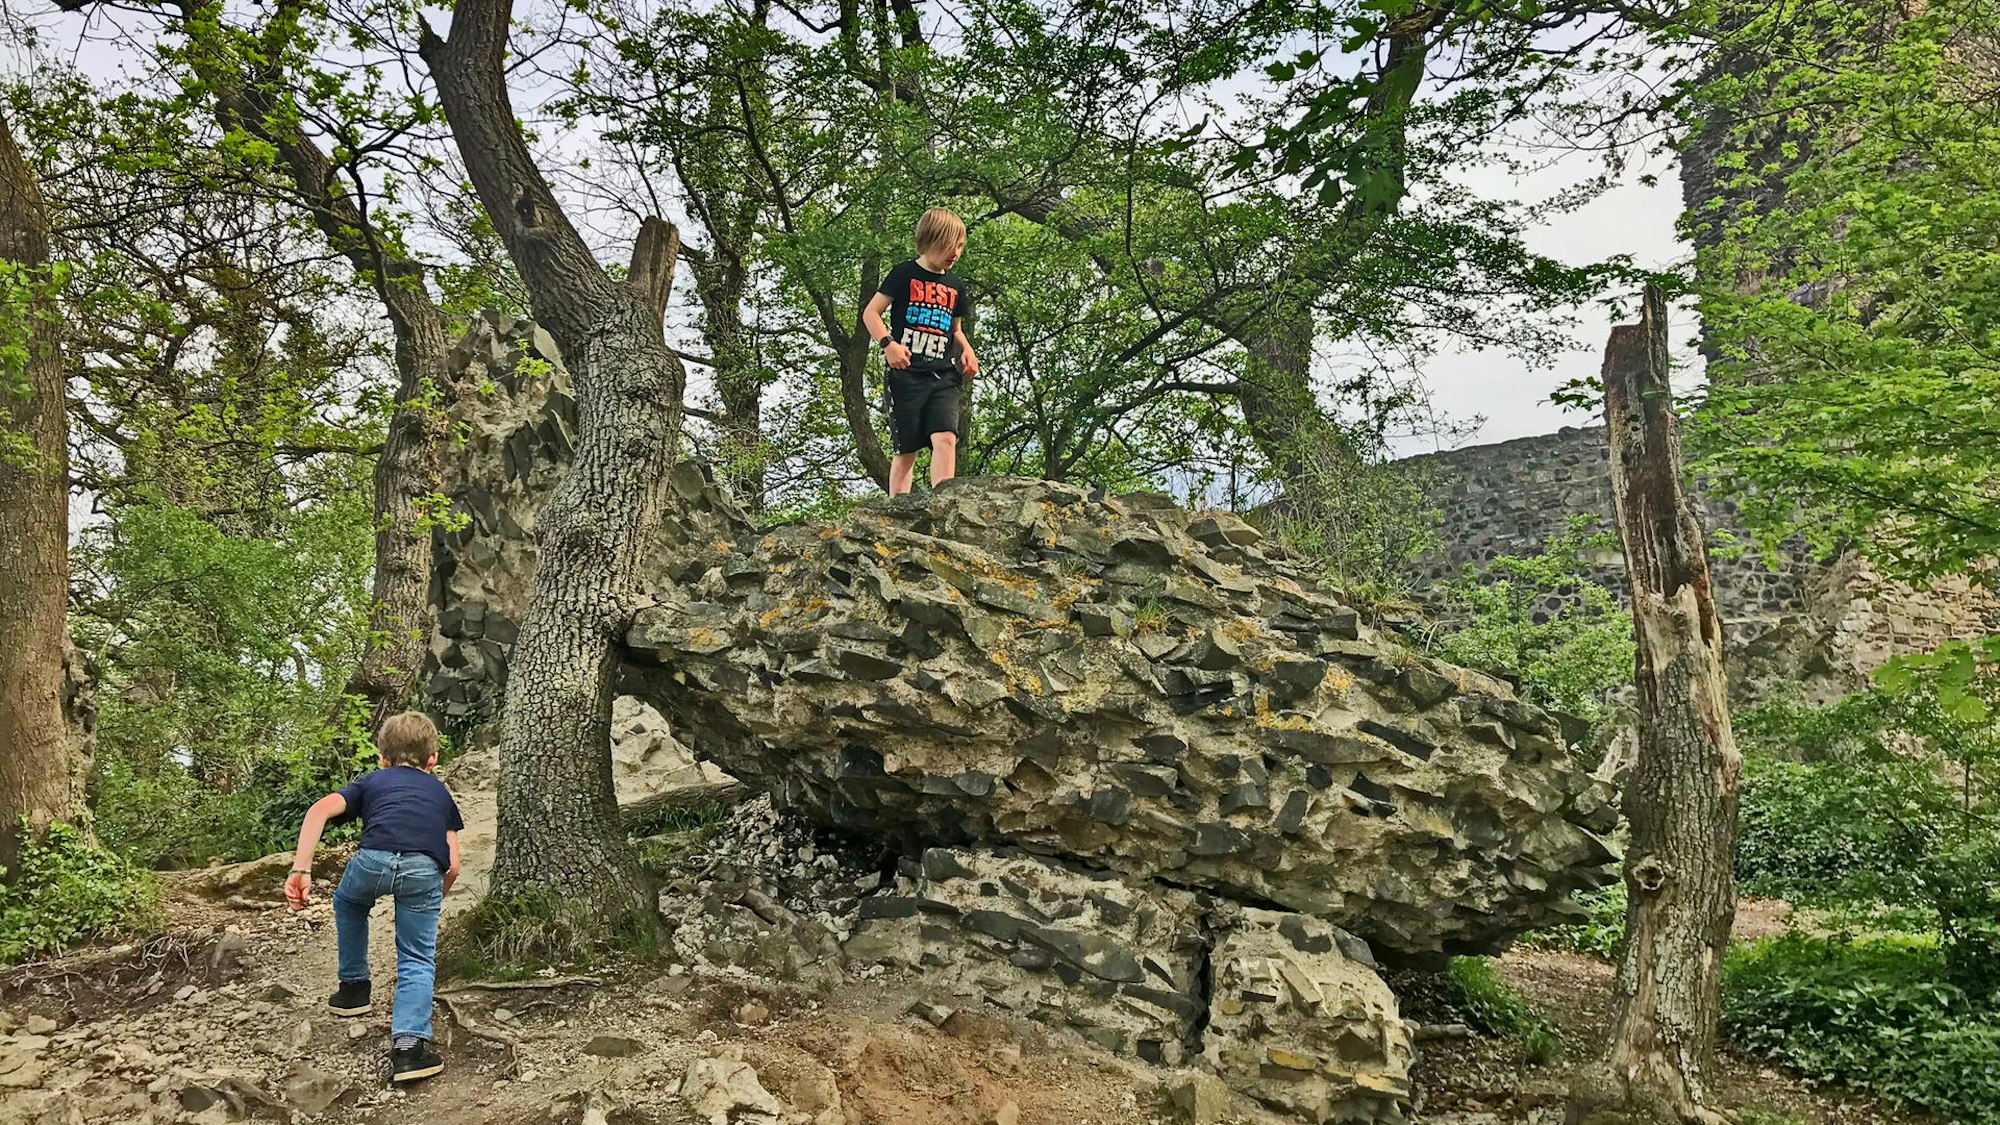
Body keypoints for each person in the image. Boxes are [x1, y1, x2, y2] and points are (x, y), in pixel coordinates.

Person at [283, 712, 463, 1083]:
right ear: (433, 760)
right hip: (423, 869)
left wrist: (301, 869)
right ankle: (409, 1049)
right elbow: (454, 865)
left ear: (382, 757)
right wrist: (430, 897)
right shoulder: (440, 793)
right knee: (416, 956)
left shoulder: (372, 781)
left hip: (372, 861)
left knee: (349, 902)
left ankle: (353, 988)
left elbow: (318, 810)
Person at [861, 207, 981, 495]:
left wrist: (966, 350)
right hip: (906, 375)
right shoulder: (904, 274)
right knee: (907, 450)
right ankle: (897, 512)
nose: (956, 253)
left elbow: (956, 330)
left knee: (946, 439)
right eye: (949, 245)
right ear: (930, 240)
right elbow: (871, 313)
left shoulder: (955, 286)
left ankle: (943, 504)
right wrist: (888, 344)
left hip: (942, 377)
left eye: (960, 247)